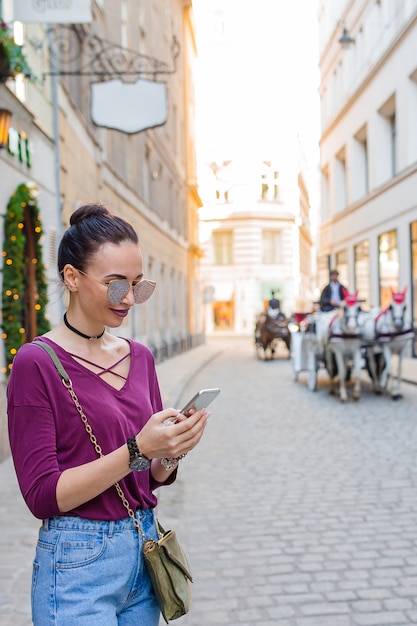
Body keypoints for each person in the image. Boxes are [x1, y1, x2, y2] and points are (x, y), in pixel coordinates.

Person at [7, 204, 209, 626]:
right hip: (78, 566)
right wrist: (138, 447)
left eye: (138, 285)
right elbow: (42, 495)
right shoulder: (37, 363)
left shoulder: (140, 357)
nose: (130, 299)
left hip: (145, 551)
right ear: (72, 277)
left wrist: (171, 451)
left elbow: (148, 475)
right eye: (116, 286)